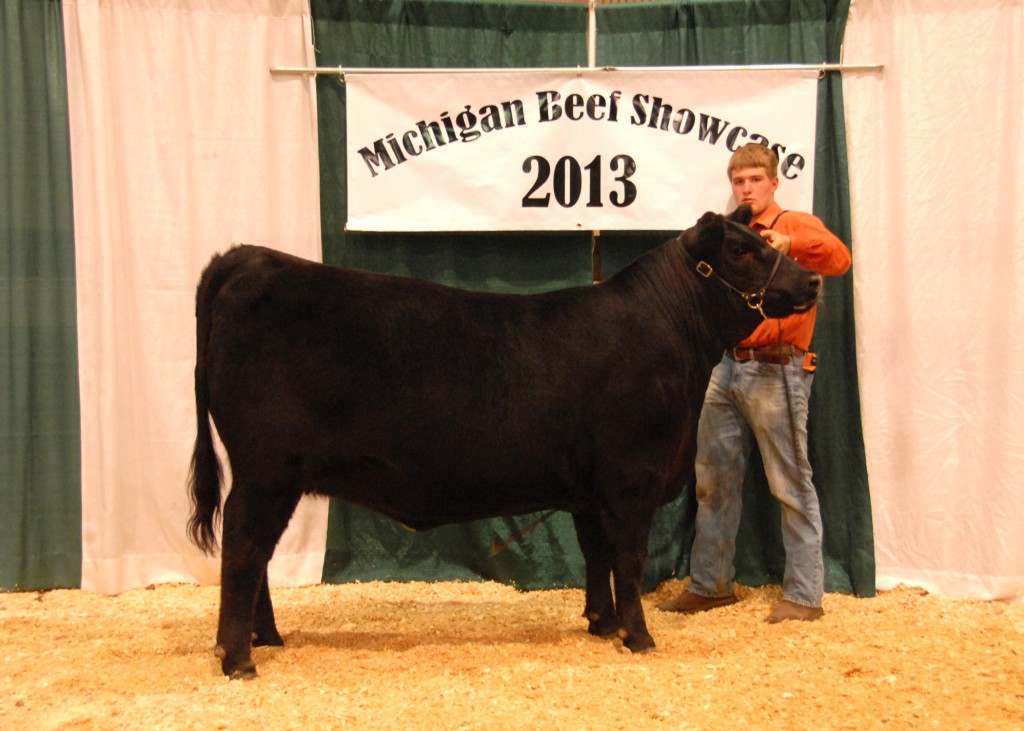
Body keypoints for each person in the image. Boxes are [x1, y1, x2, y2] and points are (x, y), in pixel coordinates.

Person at [657, 142, 851, 623]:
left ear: (774, 182)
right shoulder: (731, 235)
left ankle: (804, 594)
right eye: (739, 181)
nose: (746, 188)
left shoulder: (795, 224)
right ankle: (710, 585)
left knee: (790, 481)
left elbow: (839, 258)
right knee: (712, 482)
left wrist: (790, 245)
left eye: (755, 179)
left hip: (777, 365)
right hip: (724, 365)